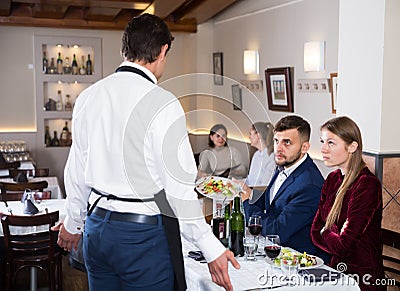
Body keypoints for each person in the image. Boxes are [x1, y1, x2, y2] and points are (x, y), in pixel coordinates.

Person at [52, 14, 239, 291]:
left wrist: (73, 221)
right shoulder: (163, 103)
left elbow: (76, 170)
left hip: (97, 229)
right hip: (140, 236)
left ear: (123, 50)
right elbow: (179, 191)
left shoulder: (89, 96)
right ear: (163, 51)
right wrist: (211, 248)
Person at [238, 115, 329, 261]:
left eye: (287, 142)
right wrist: (248, 192)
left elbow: (277, 231)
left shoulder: (309, 185)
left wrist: (247, 202)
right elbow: (272, 201)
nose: (278, 148)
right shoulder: (285, 165)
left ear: (304, 147)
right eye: (276, 141)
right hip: (277, 253)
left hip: (299, 262)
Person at [310, 116, 384, 291]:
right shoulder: (332, 179)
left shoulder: (367, 184)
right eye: (322, 142)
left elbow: (344, 246)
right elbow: (314, 232)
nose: (323, 149)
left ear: (352, 146)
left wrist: (326, 231)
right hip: (336, 271)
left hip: (363, 279)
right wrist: (331, 232)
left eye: (331, 143)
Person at [245, 122, 275, 187]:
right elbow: (250, 180)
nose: (249, 137)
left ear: (258, 136)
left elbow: (264, 186)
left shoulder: (272, 158)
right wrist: (238, 182)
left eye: (250, 134)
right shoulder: (256, 154)